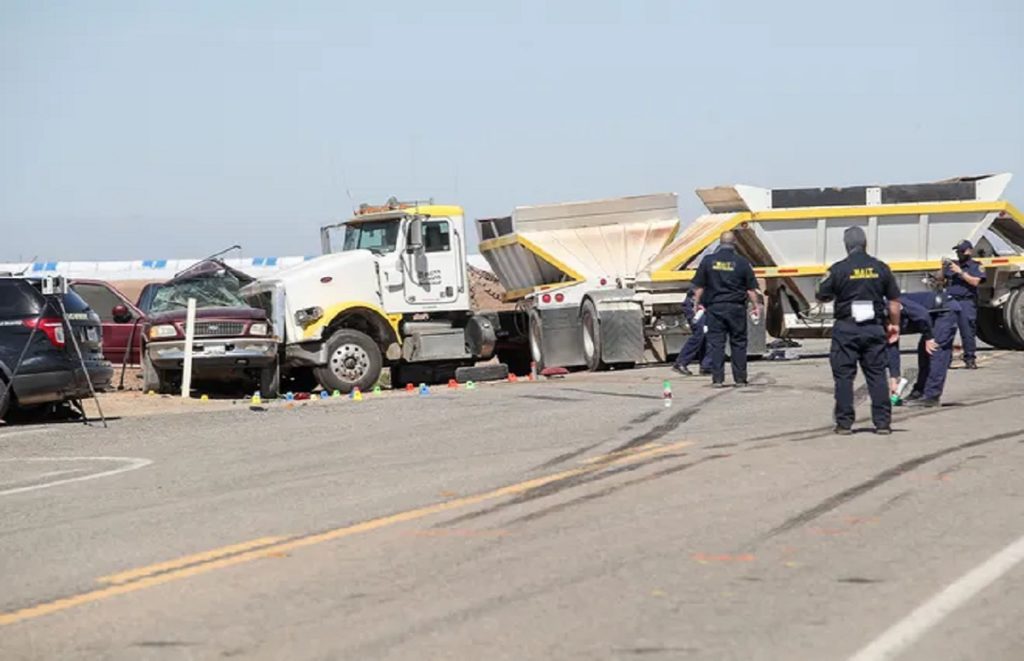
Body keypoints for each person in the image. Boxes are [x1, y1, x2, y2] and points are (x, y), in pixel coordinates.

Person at [816, 226, 901, 435]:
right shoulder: (881, 268)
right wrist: (895, 324)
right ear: (865, 243)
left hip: (846, 328)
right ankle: (882, 423)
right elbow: (894, 302)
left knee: (844, 377)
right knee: (877, 375)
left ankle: (844, 424)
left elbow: (821, 294)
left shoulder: (838, 269)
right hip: (874, 328)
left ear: (846, 245)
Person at [690, 231, 760, 387]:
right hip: (736, 309)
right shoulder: (742, 262)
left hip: (715, 308)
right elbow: (751, 289)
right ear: (734, 243)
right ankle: (740, 379)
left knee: (716, 344)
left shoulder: (708, 261)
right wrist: (756, 306)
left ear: (720, 243)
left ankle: (718, 379)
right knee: (739, 343)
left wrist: (696, 304)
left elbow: (699, 286)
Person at [886, 291, 959, 408]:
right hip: (930, 317)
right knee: (924, 353)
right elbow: (892, 347)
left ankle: (931, 396)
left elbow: (921, 313)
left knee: (935, 351)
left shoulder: (890, 304)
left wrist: (929, 337)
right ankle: (919, 392)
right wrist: (894, 377)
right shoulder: (877, 325)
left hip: (944, 310)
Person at [943, 240, 986, 369]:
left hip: (966, 302)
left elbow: (975, 282)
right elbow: (940, 279)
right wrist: (942, 268)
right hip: (951, 301)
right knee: (947, 331)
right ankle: (946, 360)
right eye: (957, 251)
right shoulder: (953, 265)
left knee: (967, 331)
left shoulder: (975, 266)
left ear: (969, 251)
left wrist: (960, 272)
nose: (959, 253)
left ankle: (970, 358)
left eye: (961, 251)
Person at [672, 294, 713, 376]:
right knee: (699, 333)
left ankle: (706, 366)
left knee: (709, 335)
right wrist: (697, 304)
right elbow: (698, 290)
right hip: (696, 305)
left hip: (706, 305)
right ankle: (681, 363)